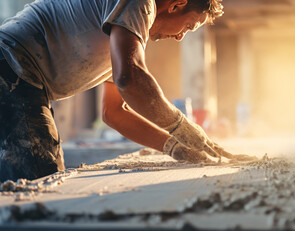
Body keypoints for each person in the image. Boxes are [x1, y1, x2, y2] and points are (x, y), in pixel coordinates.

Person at [0, 0, 244, 182]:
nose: (180, 36)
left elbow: (114, 112)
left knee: (28, 181)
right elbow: (130, 79)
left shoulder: (122, 35)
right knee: (39, 180)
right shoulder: (140, 3)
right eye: (189, 26)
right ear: (176, 4)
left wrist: (175, 147)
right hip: (10, 66)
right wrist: (181, 126)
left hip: (20, 76)